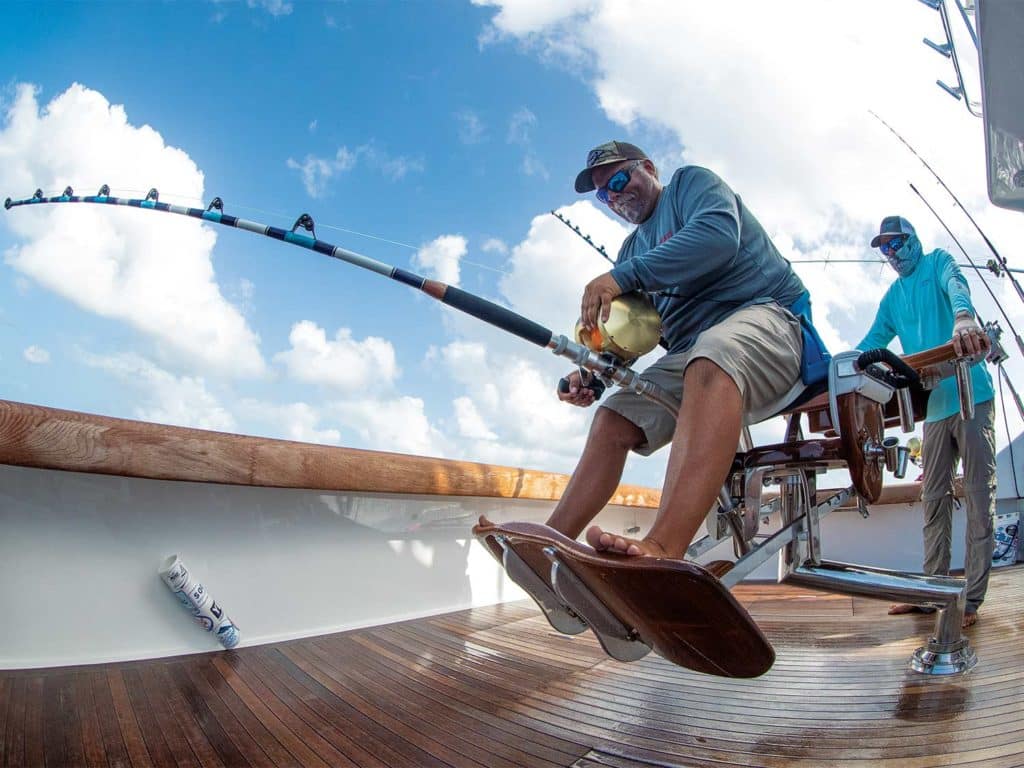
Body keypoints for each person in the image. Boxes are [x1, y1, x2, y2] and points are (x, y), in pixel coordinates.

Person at [547, 140, 812, 561]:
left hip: (771, 323)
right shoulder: (631, 250)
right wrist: (594, 376)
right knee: (614, 417)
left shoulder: (691, 184)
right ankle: (549, 545)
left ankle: (662, 547)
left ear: (648, 168)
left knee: (710, 354)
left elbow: (719, 237)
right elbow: (638, 333)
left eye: (618, 179)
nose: (613, 196)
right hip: (692, 357)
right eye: (604, 193)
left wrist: (622, 276)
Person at [857, 215, 996, 629]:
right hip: (934, 409)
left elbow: (957, 287)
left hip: (974, 397)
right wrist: (837, 366)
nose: (892, 253)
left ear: (912, 239)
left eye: (896, 243)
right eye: (884, 248)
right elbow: (871, 343)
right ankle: (929, 592)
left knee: (977, 496)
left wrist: (963, 318)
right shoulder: (892, 298)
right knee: (933, 499)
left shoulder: (938, 262)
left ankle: (971, 598)